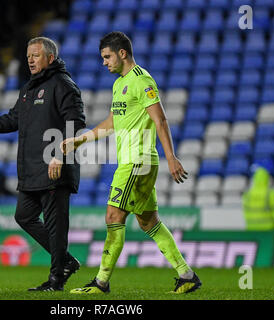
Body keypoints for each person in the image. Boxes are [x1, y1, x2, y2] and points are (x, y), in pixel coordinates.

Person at [61, 31, 201, 294]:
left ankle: (101, 282)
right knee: (149, 222)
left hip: (138, 161)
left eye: (107, 56)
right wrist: (81, 140)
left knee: (114, 215)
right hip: (134, 162)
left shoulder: (142, 80)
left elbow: (160, 119)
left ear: (122, 53)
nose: (104, 62)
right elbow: (113, 122)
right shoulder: (119, 84)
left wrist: (171, 157)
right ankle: (187, 275)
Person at [0, 37, 86, 291]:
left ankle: (56, 280)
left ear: (50, 58)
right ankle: (66, 261)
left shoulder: (63, 84)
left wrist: (60, 155)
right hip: (31, 170)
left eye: (36, 55)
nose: (30, 59)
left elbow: (76, 122)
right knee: (23, 216)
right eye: (28, 55)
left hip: (54, 167)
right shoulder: (28, 89)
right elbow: (11, 120)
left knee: (55, 226)